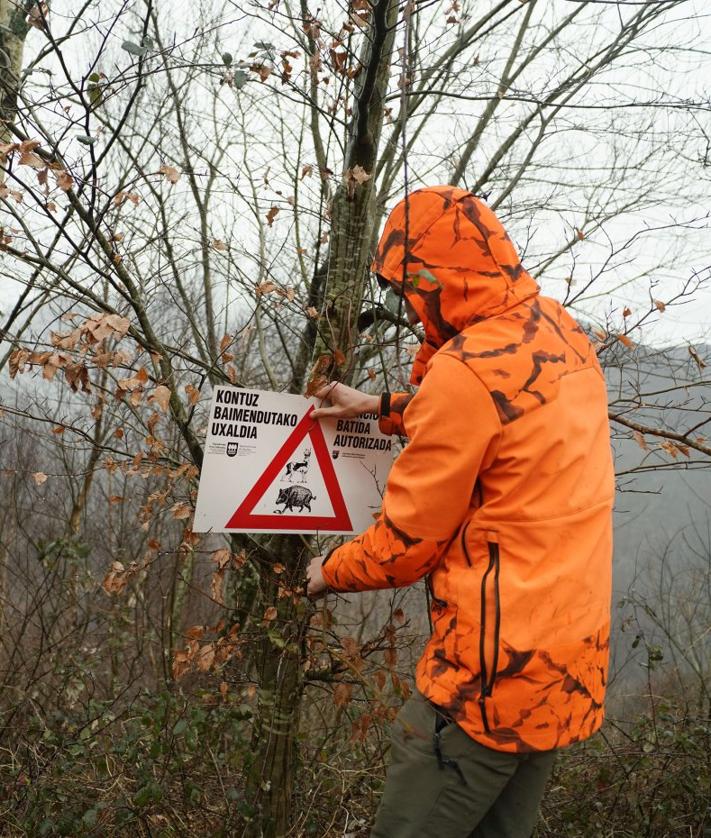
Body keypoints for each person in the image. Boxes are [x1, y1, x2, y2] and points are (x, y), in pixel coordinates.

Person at [307, 185, 614, 838]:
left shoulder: (463, 373)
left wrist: (326, 571)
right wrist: (383, 407)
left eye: (406, 289)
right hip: (565, 665)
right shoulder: (559, 330)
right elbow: (500, 417)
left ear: (431, 281)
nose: (406, 305)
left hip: (487, 681)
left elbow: (404, 546)